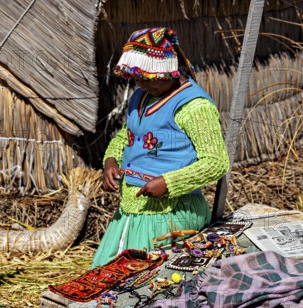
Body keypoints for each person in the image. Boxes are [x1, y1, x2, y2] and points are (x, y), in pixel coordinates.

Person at [92, 27, 229, 268]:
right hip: (131, 211)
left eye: (149, 78)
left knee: (152, 285)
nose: (143, 84)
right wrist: (111, 161)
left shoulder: (194, 107)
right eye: (138, 78)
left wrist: (168, 183)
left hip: (169, 216)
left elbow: (216, 162)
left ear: (168, 69)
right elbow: (128, 135)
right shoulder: (141, 97)